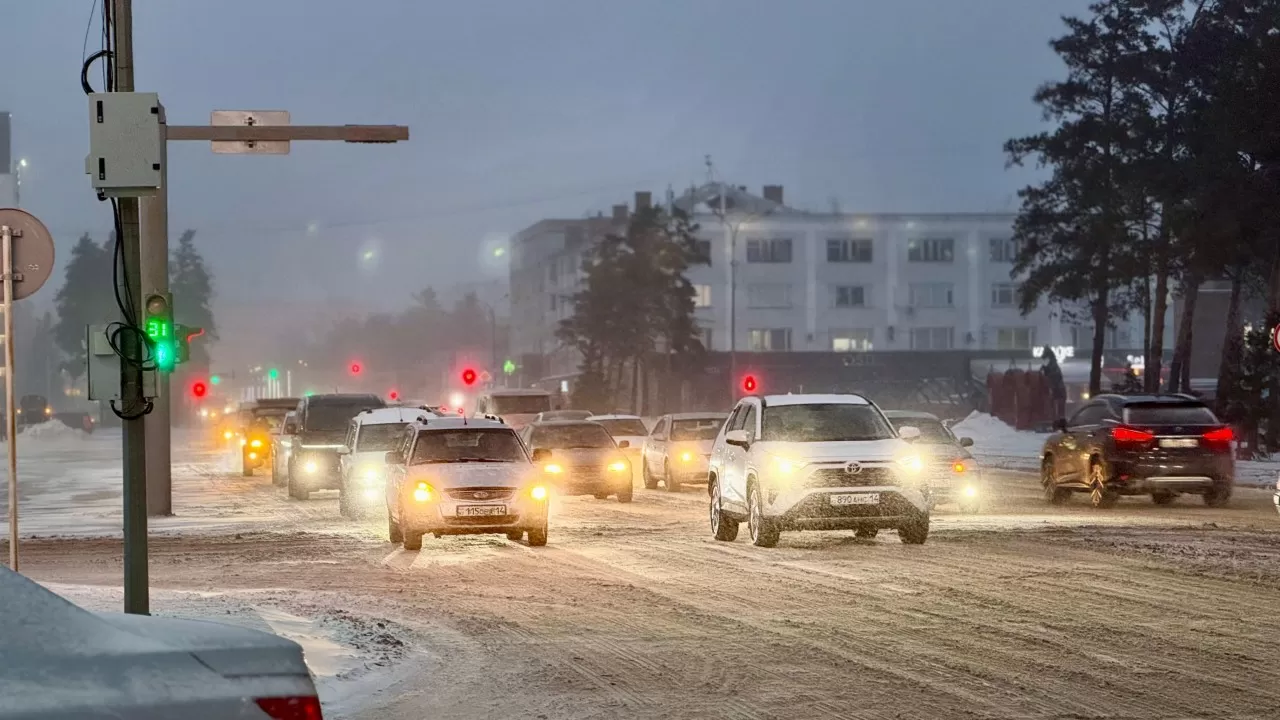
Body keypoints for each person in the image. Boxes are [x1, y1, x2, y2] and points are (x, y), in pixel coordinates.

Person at [1040, 346, 1067, 420]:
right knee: (1056, 406)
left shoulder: (1053, 365)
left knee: (1057, 406)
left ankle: (1058, 419)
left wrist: (1046, 372)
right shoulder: (1052, 364)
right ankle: (1057, 418)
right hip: (1057, 389)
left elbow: (1055, 376)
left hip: (1058, 389)